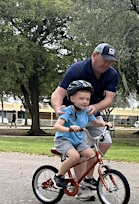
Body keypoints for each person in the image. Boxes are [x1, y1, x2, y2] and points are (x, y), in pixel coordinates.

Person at [51, 43, 119, 200]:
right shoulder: (77, 70)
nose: (107, 64)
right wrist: (57, 108)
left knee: (105, 142)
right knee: (80, 148)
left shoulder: (112, 74)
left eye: (111, 62)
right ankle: (79, 186)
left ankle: (87, 179)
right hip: (73, 114)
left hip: (91, 112)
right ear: (94, 55)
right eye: (105, 60)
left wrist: (95, 107)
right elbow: (58, 93)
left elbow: (109, 98)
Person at [52, 80, 113, 190]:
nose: (85, 102)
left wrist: (105, 124)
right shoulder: (67, 111)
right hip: (64, 139)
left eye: (87, 99)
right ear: (72, 99)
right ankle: (58, 176)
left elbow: (94, 122)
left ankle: (84, 179)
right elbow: (57, 126)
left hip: (77, 141)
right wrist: (69, 129)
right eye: (81, 98)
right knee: (75, 156)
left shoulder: (85, 111)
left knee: (93, 156)